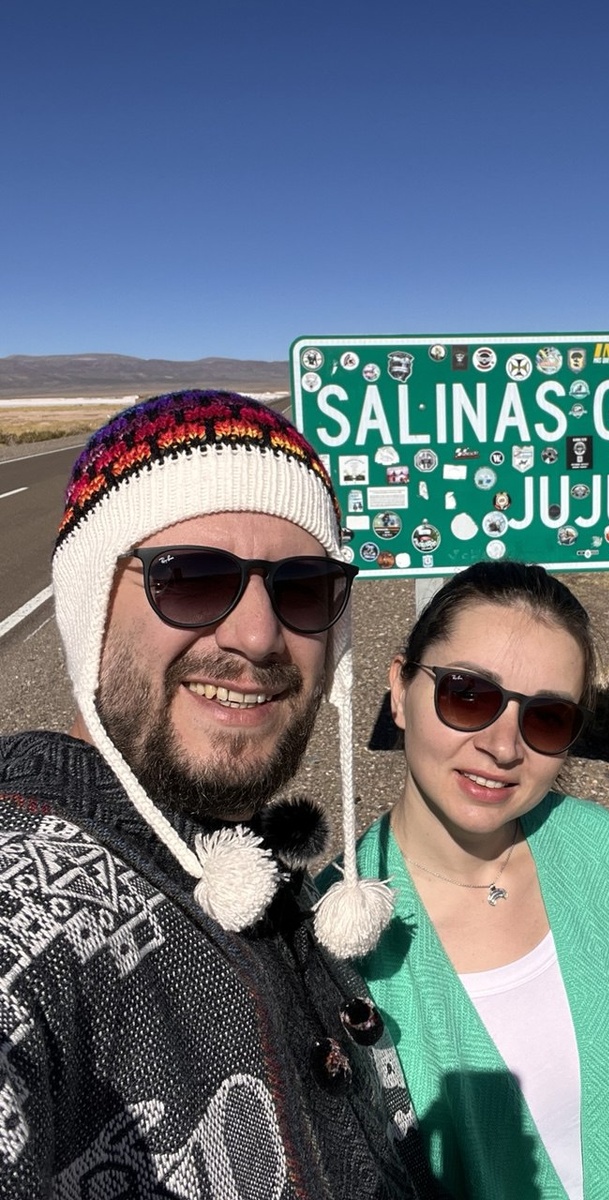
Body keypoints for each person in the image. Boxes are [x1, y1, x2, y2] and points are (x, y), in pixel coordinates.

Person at [0, 390, 431, 1198]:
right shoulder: (25, 897)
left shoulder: (263, 873)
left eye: (303, 589)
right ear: (92, 609)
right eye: (193, 580)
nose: (259, 634)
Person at [320, 561, 609, 1200]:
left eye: (547, 719)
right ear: (398, 691)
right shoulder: (334, 935)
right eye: (467, 695)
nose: (505, 747)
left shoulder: (607, 853)